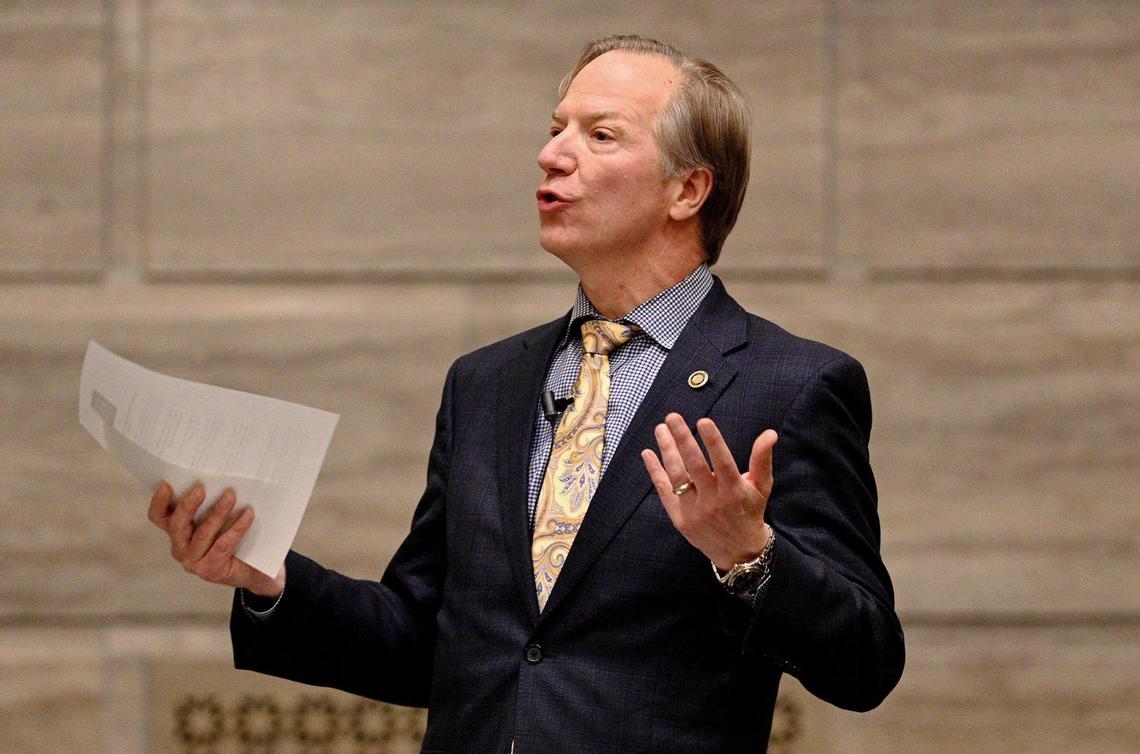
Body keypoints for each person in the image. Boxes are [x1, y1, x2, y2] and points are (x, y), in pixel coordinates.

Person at [147, 34, 904, 753]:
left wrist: (750, 557)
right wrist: (266, 575)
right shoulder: (486, 384)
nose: (552, 155)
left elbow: (865, 663)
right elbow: (424, 640)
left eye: (599, 136)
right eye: (555, 130)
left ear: (687, 189)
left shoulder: (790, 385)